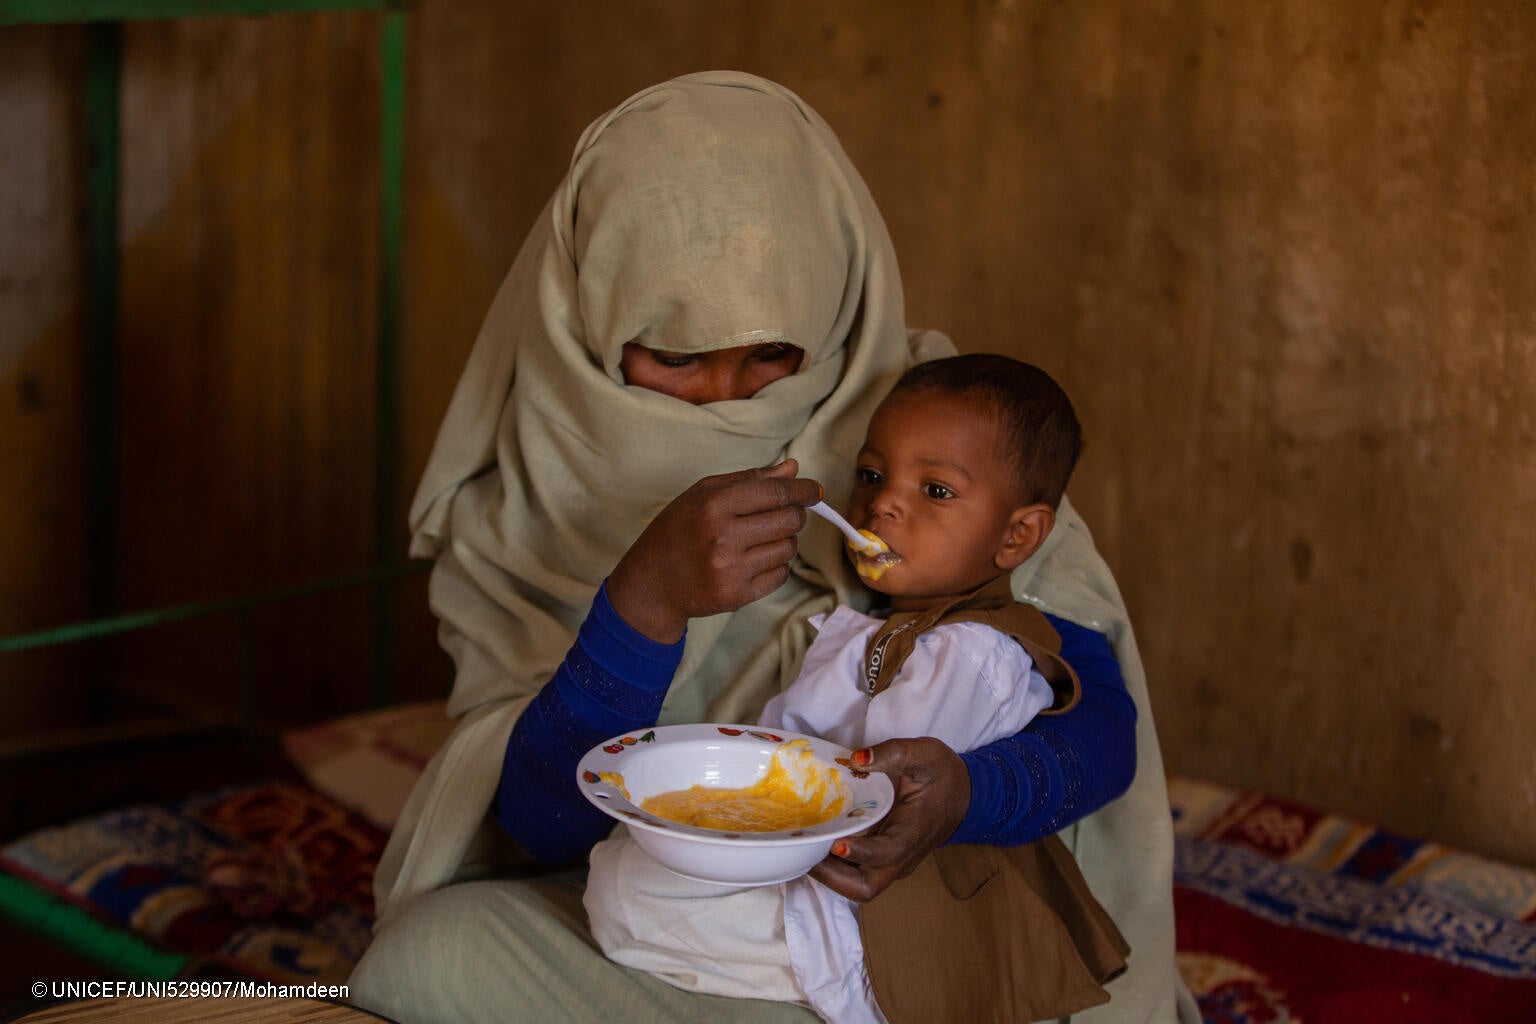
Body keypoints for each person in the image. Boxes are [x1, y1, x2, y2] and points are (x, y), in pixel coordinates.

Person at [348, 71, 1197, 1024]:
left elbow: (1095, 738)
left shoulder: (953, 456)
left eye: (771, 356)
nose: (727, 399)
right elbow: (548, 828)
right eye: (673, 357)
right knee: (429, 957)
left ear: (836, 317)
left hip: (901, 949)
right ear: (585, 317)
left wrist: (972, 792)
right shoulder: (523, 506)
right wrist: (644, 606)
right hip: (684, 936)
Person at [585, 354, 1131, 1024]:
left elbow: (869, 791)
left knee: (628, 896)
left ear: (1018, 536)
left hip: (871, 909)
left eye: (936, 491)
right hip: (814, 868)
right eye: (872, 475)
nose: (882, 503)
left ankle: (848, 996)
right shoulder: (878, 632)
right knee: (625, 871)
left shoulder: (978, 653)